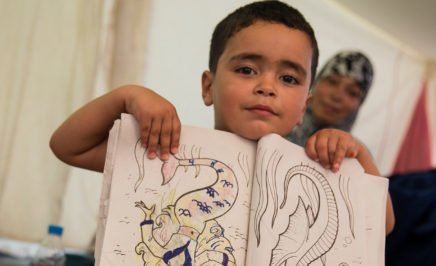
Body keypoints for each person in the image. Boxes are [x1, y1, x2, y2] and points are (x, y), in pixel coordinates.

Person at [49, 0, 393, 237]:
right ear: (208, 86)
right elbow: (69, 147)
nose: (266, 86)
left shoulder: (315, 169)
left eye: (288, 78)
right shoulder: (167, 150)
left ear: (304, 105)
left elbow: (384, 223)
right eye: (247, 69)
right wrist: (125, 95)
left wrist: (356, 152)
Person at [287, 50, 374, 147]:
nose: (337, 96)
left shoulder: (353, 156)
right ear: (316, 81)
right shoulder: (276, 127)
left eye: (352, 92)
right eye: (332, 82)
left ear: (359, 104)